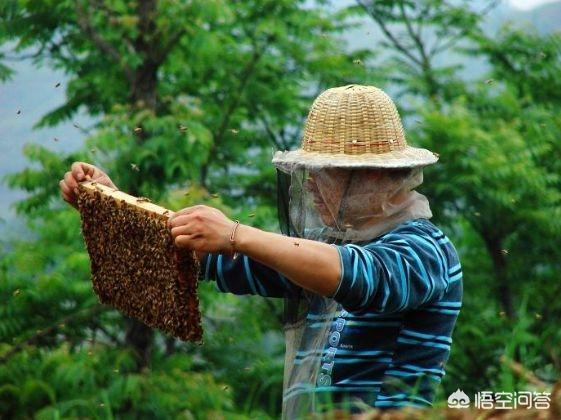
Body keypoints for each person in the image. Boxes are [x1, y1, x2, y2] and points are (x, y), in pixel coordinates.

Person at [60, 84, 462, 418]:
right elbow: (208, 255)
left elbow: (362, 277)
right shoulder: (321, 251)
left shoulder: (427, 250)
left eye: (325, 175)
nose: (310, 188)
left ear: (375, 175)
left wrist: (236, 233)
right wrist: (113, 206)